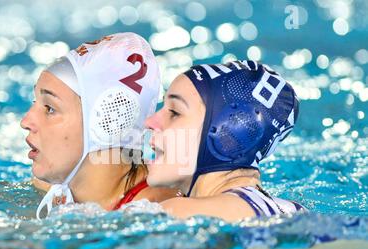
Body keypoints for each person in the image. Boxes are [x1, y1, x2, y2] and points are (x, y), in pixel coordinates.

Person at [20, 32, 180, 219]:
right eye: (34, 101)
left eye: (50, 108)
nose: (26, 122)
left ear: (108, 121)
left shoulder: (161, 213)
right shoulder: (53, 188)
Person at [144, 60, 307, 222]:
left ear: (228, 136)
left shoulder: (179, 212)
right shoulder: (293, 210)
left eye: (174, 112)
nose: (150, 121)